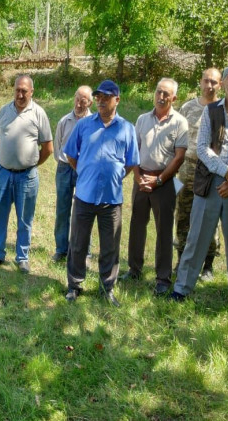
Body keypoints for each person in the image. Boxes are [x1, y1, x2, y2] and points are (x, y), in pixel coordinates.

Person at [171, 64, 228, 317]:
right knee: (196, 238)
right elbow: (202, 148)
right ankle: (182, 288)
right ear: (223, 83)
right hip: (210, 185)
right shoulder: (210, 111)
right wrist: (226, 173)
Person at [63, 80, 139, 306]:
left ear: (117, 100)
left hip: (111, 200)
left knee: (110, 246)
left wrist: (112, 176)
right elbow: (71, 155)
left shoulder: (127, 128)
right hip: (85, 196)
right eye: (98, 97)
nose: (101, 100)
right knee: (77, 243)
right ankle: (74, 285)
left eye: (106, 97)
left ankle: (107, 288)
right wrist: (87, 172)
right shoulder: (84, 126)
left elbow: (130, 163)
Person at [121, 79, 188, 294]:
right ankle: (134, 269)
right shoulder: (142, 120)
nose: (161, 97)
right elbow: (133, 151)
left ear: (174, 98)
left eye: (166, 94)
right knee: (137, 226)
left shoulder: (180, 123)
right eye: (159, 92)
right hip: (141, 180)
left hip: (165, 183)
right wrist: (139, 177)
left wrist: (159, 180)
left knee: (164, 230)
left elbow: (179, 158)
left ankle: (162, 278)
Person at [0, 75, 53, 273]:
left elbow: (48, 148)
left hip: (27, 177)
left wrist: (30, 164)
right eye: (17, 90)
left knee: (25, 218)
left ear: (32, 92)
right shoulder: (4, 111)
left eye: (25, 90)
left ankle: (22, 257)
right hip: (3, 174)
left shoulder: (39, 113)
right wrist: (8, 159)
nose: (20, 94)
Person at [174, 68, 222, 280]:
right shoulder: (187, 108)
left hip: (211, 171)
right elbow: (178, 139)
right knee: (183, 216)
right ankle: (181, 260)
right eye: (206, 81)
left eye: (214, 82)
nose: (209, 85)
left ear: (219, 85)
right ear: (200, 82)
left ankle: (208, 265)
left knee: (210, 219)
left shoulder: (224, 110)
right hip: (186, 169)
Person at [52, 85, 92, 263]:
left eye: (83, 100)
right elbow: (57, 146)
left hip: (84, 171)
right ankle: (61, 249)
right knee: (62, 209)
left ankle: (85, 252)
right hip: (64, 168)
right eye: (77, 98)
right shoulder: (64, 121)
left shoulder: (93, 123)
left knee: (84, 211)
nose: (79, 103)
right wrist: (64, 162)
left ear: (90, 102)